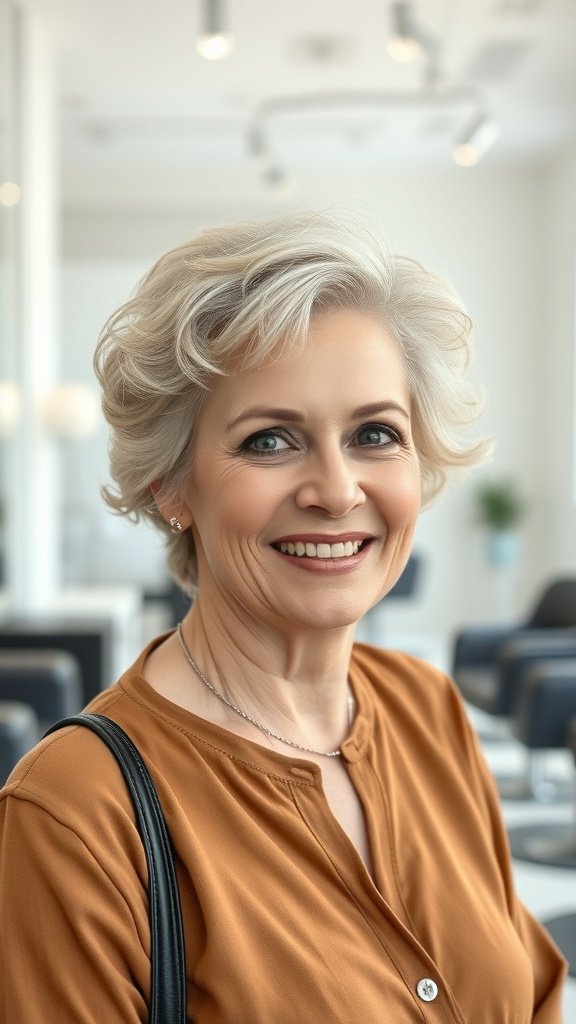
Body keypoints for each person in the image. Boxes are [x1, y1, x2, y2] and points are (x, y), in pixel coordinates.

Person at [0, 212, 567, 1023]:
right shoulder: (77, 812)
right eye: (270, 441)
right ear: (171, 484)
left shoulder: (426, 707)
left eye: (376, 433)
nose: (337, 491)